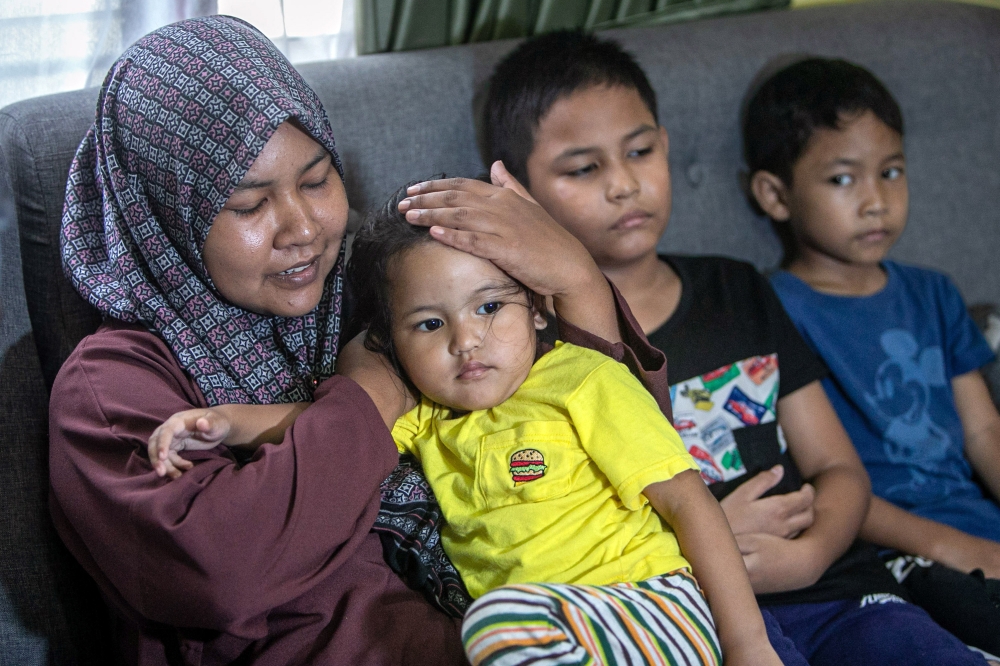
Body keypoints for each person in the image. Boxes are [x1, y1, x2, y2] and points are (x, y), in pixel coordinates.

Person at [50, 17, 672, 665]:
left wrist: (576, 279)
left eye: (317, 181)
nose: (302, 228)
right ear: (161, 213)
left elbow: (611, 438)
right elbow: (219, 571)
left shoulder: (386, 288)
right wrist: (372, 393)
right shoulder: (111, 386)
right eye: (249, 205)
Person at [477, 30, 991, 665]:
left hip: (838, 588)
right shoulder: (530, 351)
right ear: (520, 191)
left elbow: (838, 468)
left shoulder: (738, 288)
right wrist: (708, 543)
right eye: (584, 168)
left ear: (665, 146)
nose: (624, 184)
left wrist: (813, 554)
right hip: (694, 616)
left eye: (640, 151)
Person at [745, 57, 1000, 658]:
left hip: (979, 526)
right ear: (775, 195)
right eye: (843, 180)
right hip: (890, 549)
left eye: (891, 172)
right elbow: (819, 476)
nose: (876, 201)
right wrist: (951, 546)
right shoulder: (772, 309)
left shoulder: (933, 292)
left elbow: (983, 430)